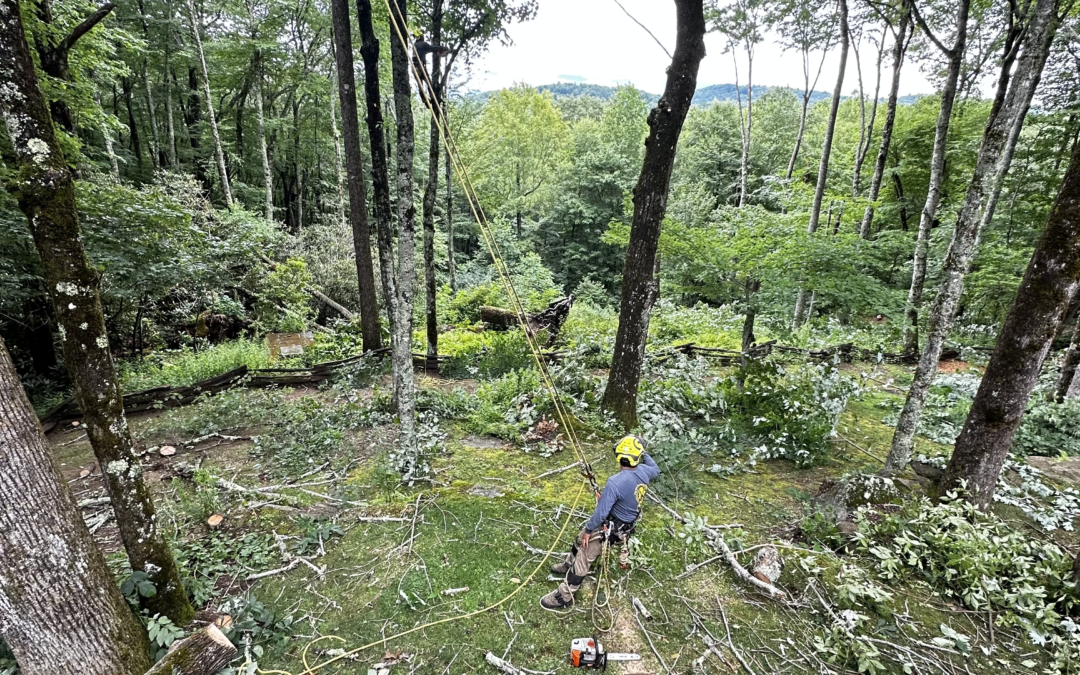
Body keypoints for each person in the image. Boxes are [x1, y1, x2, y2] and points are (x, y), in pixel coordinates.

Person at [540, 435, 660, 611]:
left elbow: (601, 513)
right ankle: (568, 564)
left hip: (610, 529)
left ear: (619, 456)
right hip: (623, 526)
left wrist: (589, 531)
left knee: (584, 557)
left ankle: (564, 596)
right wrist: (643, 451)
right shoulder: (644, 471)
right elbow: (655, 468)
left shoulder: (615, 482)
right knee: (579, 539)